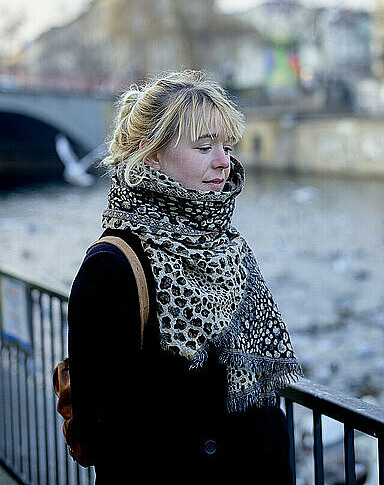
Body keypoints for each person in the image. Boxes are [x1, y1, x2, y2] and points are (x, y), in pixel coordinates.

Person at [68, 70, 303, 484]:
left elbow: (260, 399)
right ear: (151, 154)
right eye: (203, 146)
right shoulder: (113, 268)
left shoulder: (230, 249)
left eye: (227, 146)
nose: (223, 161)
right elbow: (105, 436)